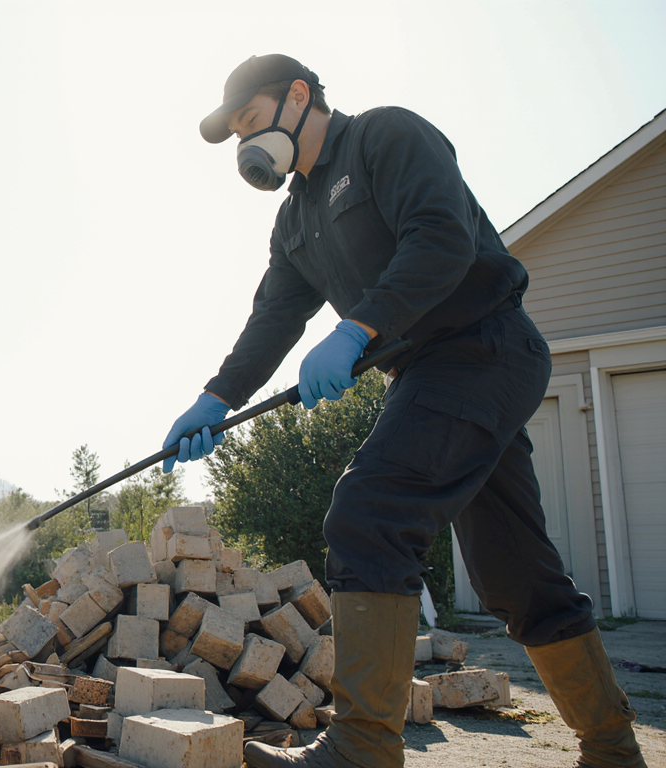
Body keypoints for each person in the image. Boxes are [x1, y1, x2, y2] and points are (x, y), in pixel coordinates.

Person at [161, 54, 647, 768]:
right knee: (515, 573)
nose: (245, 145)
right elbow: (274, 318)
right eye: (235, 134)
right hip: (425, 372)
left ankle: (362, 749)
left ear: (299, 97)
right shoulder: (295, 220)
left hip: (485, 345)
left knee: (369, 510)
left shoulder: (386, 138)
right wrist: (215, 398)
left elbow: (442, 236)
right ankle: (613, 750)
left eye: (251, 121)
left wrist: (359, 327)